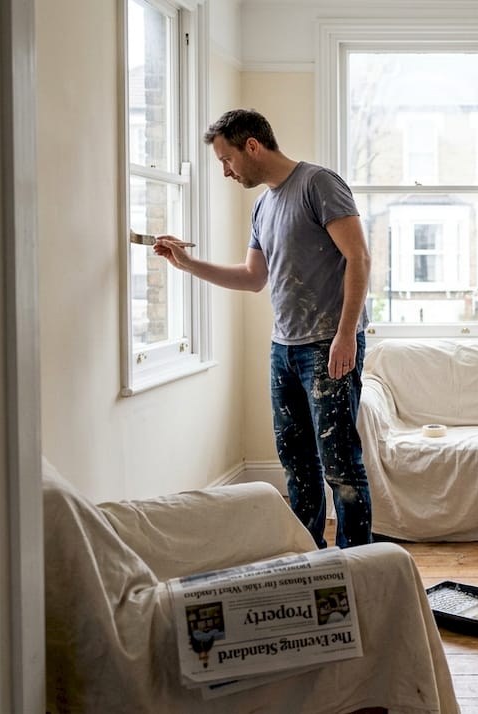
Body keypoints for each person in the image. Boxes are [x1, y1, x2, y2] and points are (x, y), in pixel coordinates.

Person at [154, 109, 372, 549]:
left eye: (226, 159)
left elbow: (358, 258)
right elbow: (254, 278)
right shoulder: (263, 205)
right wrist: (186, 263)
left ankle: (359, 567)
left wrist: (346, 334)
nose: (225, 171)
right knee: (296, 464)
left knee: (339, 465)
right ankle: (307, 560)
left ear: (252, 145)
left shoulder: (318, 184)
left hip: (328, 344)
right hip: (284, 349)